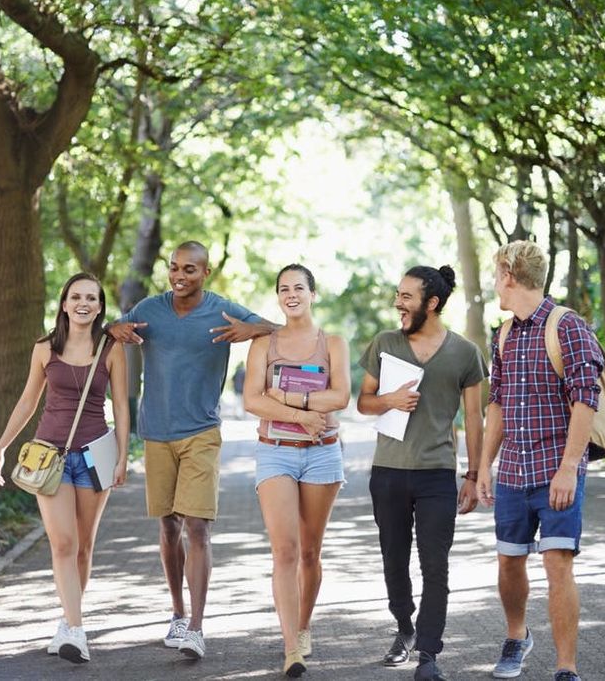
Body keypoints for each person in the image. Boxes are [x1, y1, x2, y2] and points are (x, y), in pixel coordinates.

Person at [106, 240, 277, 660]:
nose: (179, 276)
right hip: (157, 433)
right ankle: (178, 614)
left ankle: (197, 628)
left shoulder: (222, 309)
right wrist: (114, 329)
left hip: (202, 432)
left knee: (197, 527)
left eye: (189, 270)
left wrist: (248, 329)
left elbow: (277, 328)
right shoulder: (149, 309)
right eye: (174, 268)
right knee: (168, 527)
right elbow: (110, 325)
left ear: (205, 274)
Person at [476, 241, 603, 681]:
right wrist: (483, 466)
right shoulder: (504, 333)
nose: (495, 284)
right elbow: (497, 404)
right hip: (513, 469)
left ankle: (566, 667)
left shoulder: (568, 326)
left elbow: (586, 399)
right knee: (509, 561)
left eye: (497, 275)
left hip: (556, 470)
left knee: (557, 562)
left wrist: (569, 467)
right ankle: (517, 637)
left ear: (509, 274)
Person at [0, 272, 129, 664]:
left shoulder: (111, 349)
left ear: (100, 306)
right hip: (49, 457)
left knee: (84, 546)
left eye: (91, 297)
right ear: (64, 304)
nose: (83, 303)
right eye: (75, 296)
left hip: (95, 456)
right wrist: (2, 446)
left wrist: (122, 456)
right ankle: (78, 631)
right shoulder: (43, 348)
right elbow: (27, 402)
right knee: (63, 543)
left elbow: (120, 406)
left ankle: (68, 624)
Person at [357, 264, 485, 681]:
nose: (398, 302)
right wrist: (389, 399)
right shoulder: (385, 342)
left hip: (436, 475)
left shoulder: (465, 353)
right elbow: (364, 402)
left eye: (406, 297)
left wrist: (473, 475)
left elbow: (474, 418)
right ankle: (404, 626)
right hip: (389, 471)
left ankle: (428, 653)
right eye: (398, 294)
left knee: (436, 566)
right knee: (394, 561)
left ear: (432, 303)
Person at [242, 263, 350, 678]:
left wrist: (291, 401)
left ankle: (303, 626)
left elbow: (339, 396)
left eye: (299, 287)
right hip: (276, 454)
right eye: (284, 288)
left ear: (312, 294)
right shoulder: (263, 346)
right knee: (284, 550)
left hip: (323, 454)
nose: (292, 294)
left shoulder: (333, 343)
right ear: (278, 296)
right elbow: (253, 400)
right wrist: (302, 413)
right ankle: (291, 648)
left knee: (309, 551)